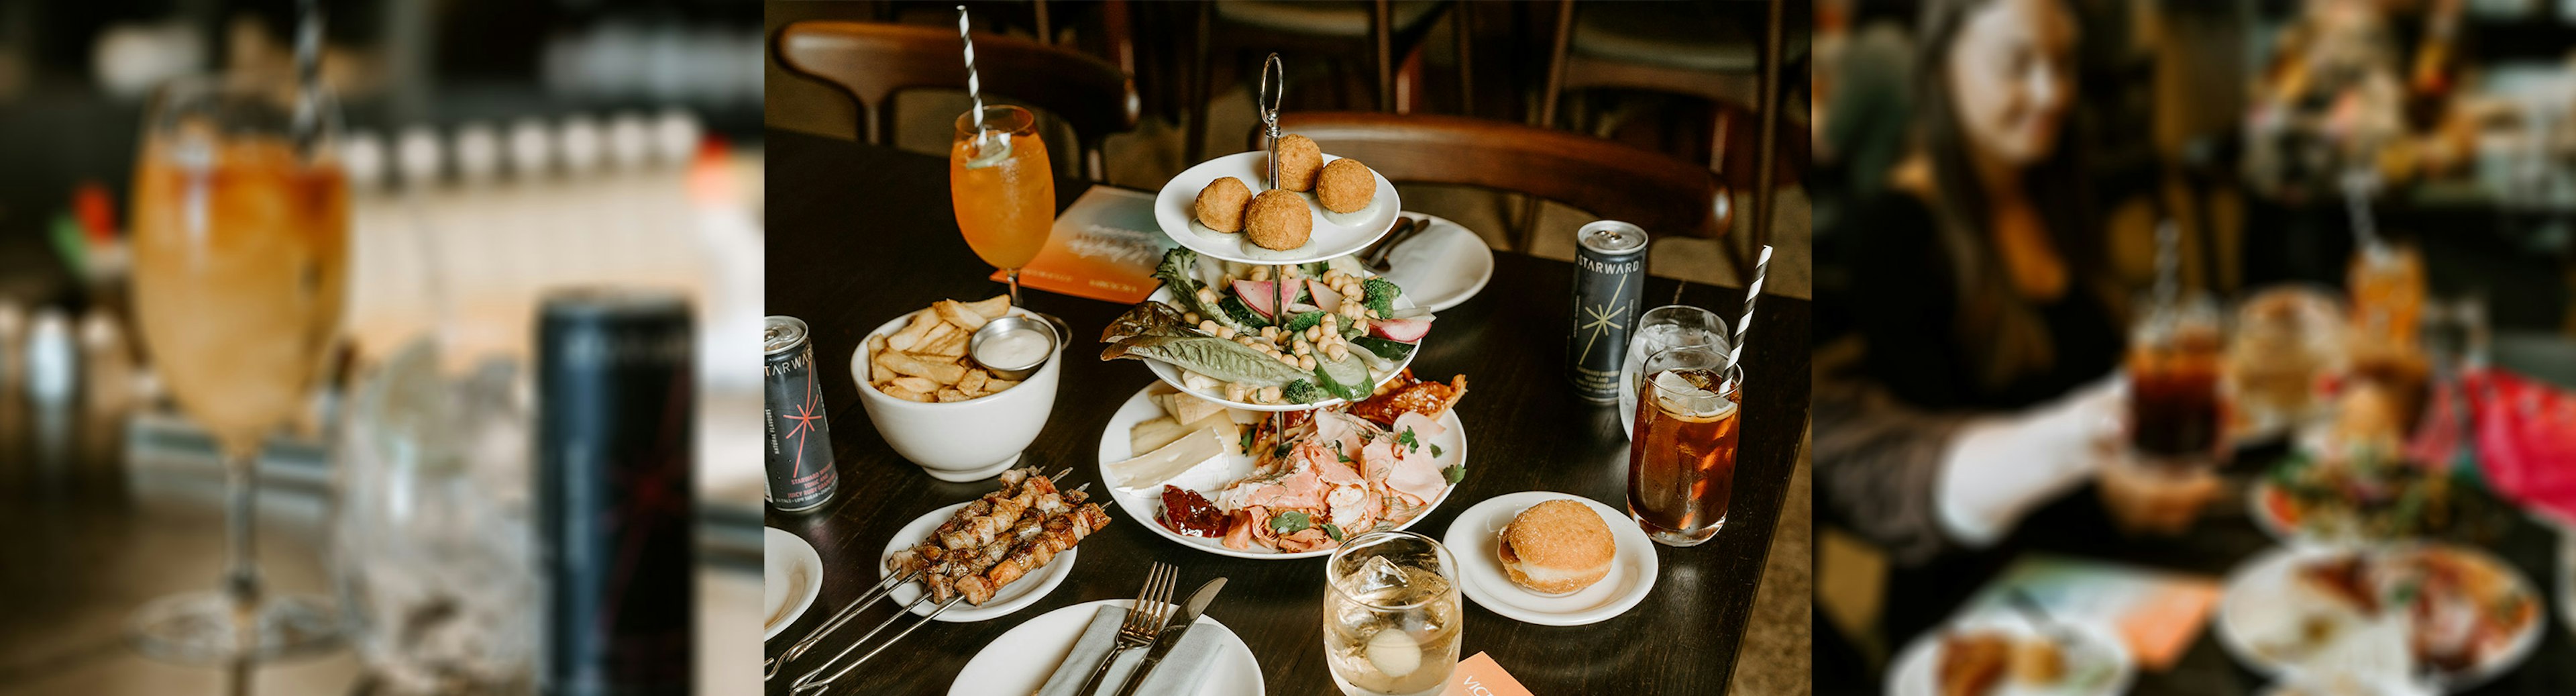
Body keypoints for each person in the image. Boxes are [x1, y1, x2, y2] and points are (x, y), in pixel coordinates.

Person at [1813, 0, 2220, 628]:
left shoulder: (2050, 183)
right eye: (2017, 64)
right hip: (1987, 589)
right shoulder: (1896, 231)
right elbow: (1936, 461)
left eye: (2063, 64)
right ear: (1943, 68)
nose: (2051, 92)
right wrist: (2103, 490)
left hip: (2104, 550)